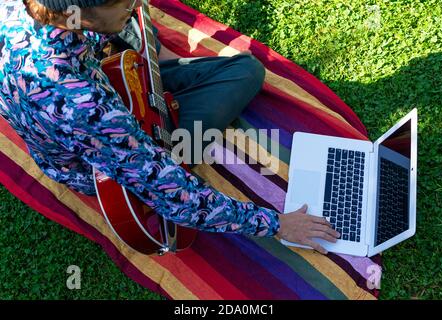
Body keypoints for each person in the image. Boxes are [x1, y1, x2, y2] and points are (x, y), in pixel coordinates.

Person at [0, 0, 340, 254]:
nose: (133, 4)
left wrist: (138, 46)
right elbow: (178, 199)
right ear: (74, 10)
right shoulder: (84, 108)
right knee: (240, 78)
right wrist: (278, 224)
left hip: (105, 94)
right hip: (97, 163)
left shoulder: (19, 8)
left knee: (245, 70)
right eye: (123, 2)